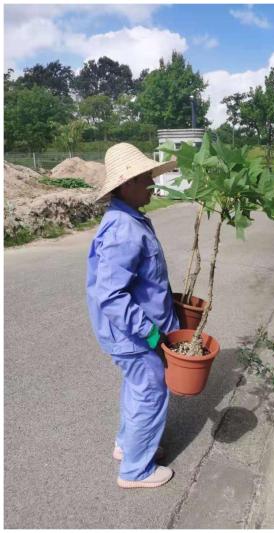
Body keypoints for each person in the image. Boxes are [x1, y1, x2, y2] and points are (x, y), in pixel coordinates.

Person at [86, 143, 180, 489]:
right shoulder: (123, 228)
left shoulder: (129, 219)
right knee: (150, 392)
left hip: (131, 333)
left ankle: (129, 446)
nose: (152, 186)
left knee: (137, 388)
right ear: (125, 185)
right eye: (145, 179)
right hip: (135, 335)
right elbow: (111, 295)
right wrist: (153, 334)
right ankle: (136, 471)